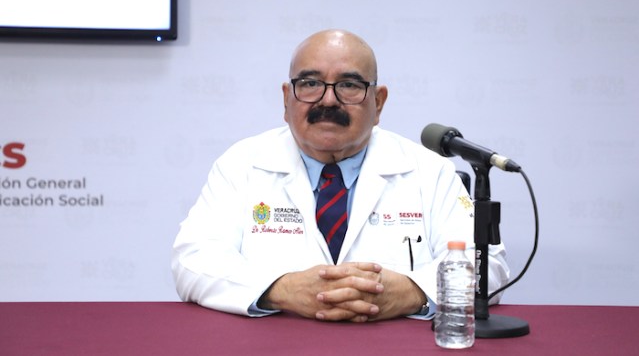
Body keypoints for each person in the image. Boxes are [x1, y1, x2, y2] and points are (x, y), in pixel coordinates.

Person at [172, 29, 509, 322]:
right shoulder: (242, 163)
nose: (328, 100)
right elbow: (193, 260)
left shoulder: (429, 170)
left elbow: (488, 264)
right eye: (310, 83)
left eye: (348, 85)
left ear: (378, 102)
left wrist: (411, 292)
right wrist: (280, 289)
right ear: (287, 99)